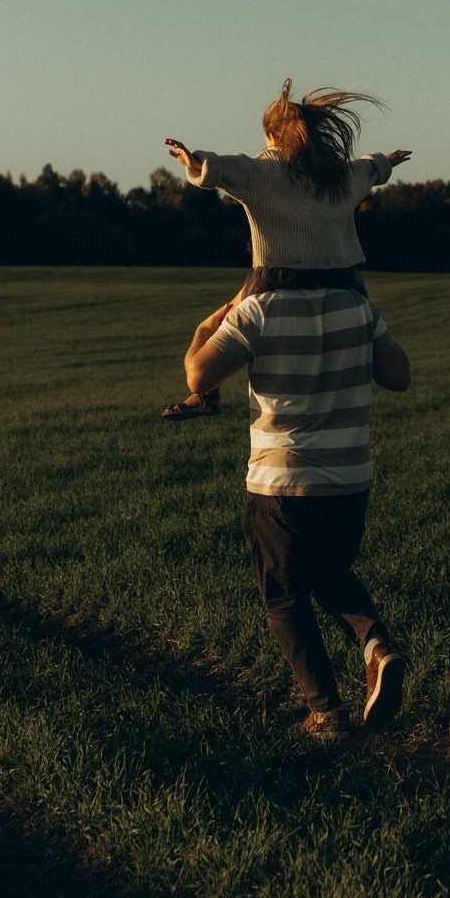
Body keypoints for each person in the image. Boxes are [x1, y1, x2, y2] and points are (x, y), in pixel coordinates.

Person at [180, 272, 411, 737]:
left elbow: (199, 375)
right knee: (329, 573)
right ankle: (376, 647)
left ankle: (326, 713)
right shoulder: (357, 307)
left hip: (281, 483)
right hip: (350, 479)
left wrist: (205, 331)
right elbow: (399, 377)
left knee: (283, 595)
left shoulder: (258, 310)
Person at [161, 81, 410, 419]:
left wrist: (194, 163)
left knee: (225, 319)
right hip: (342, 278)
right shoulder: (334, 175)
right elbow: (365, 171)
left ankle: (206, 395)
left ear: (273, 137)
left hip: (277, 275)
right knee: (362, 328)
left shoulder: (260, 169)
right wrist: (385, 162)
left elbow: (219, 169)